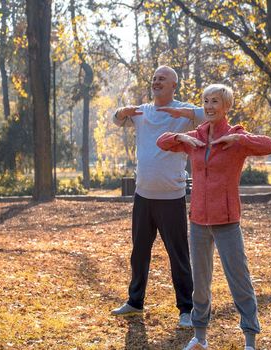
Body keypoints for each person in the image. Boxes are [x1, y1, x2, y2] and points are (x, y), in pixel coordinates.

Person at [156, 83, 271, 350]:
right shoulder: (196, 137)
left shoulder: (236, 137)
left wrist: (239, 140)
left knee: (239, 281)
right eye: (206, 101)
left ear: (226, 106)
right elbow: (161, 141)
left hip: (227, 221)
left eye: (215, 102)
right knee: (200, 284)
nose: (209, 106)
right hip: (198, 221)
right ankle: (200, 337)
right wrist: (181, 138)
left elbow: (269, 145)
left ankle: (249, 340)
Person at [110, 65, 205, 327]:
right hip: (143, 196)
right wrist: (122, 112)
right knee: (139, 253)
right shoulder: (143, 111)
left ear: (174, 85)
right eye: (154, 78)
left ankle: (187, 310)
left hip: (172, 197)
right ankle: (134, 302)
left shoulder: (185, 112)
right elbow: (116, 120)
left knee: (179, 255)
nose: (156, 82)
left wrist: (182, 112)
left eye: (162, 79)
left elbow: (209, 115)